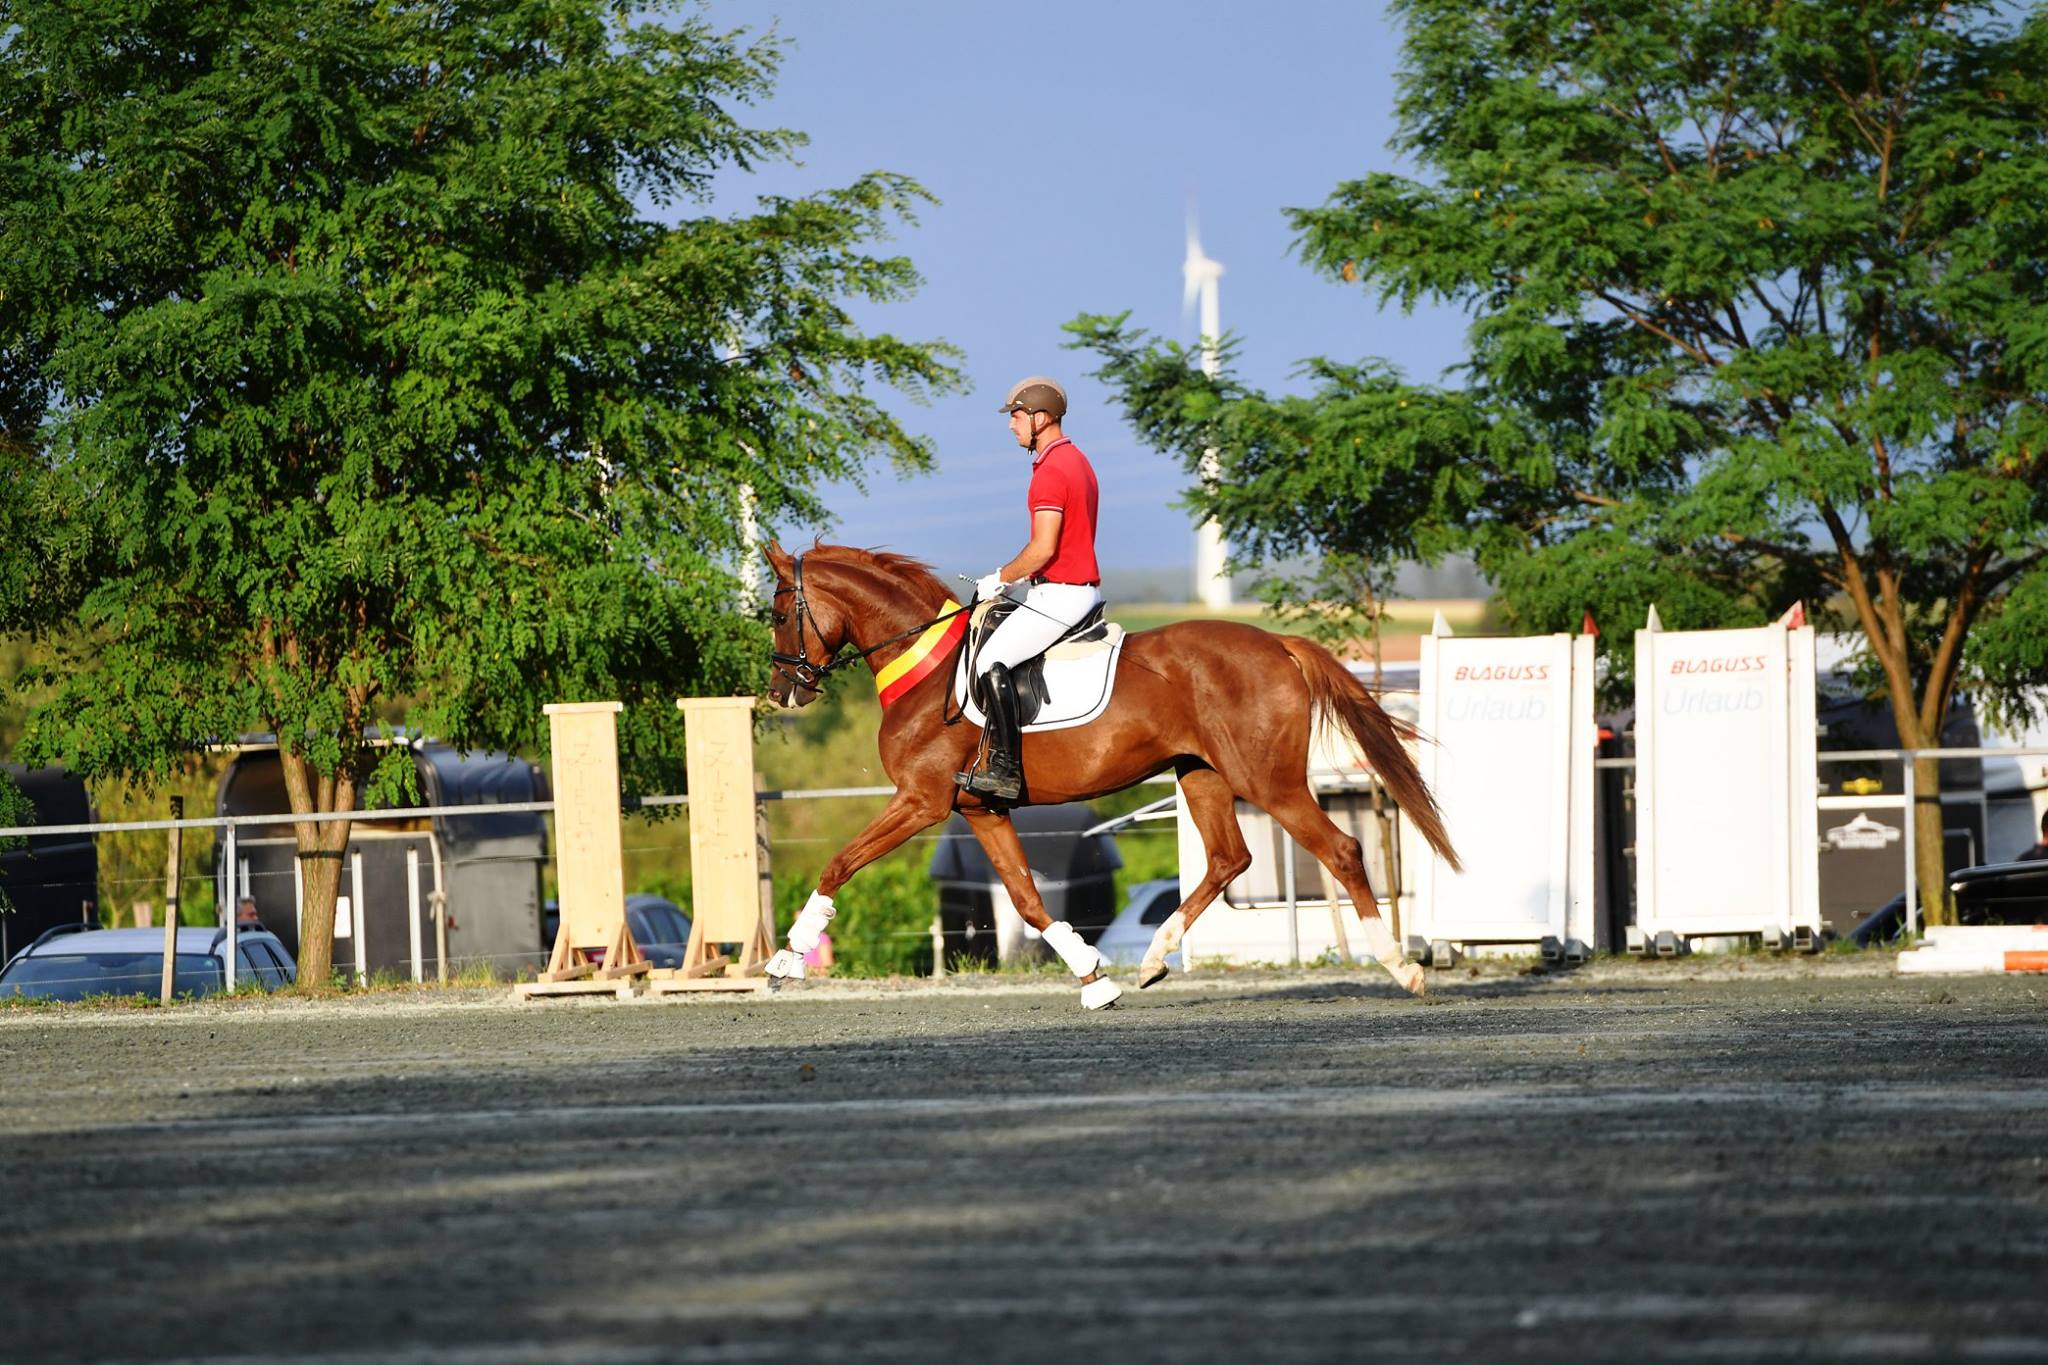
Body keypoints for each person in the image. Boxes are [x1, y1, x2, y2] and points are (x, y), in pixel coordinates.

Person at [955, 376, 1101, 802]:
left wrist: (999, 577)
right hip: (1063, 589)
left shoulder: (1052, 471)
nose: (1011, 425)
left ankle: (1005, 769)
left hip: (1062, 592)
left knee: (990, 658)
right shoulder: (1076, 460)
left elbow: (1042, 549)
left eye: (1016, 416)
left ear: (1040, 417)